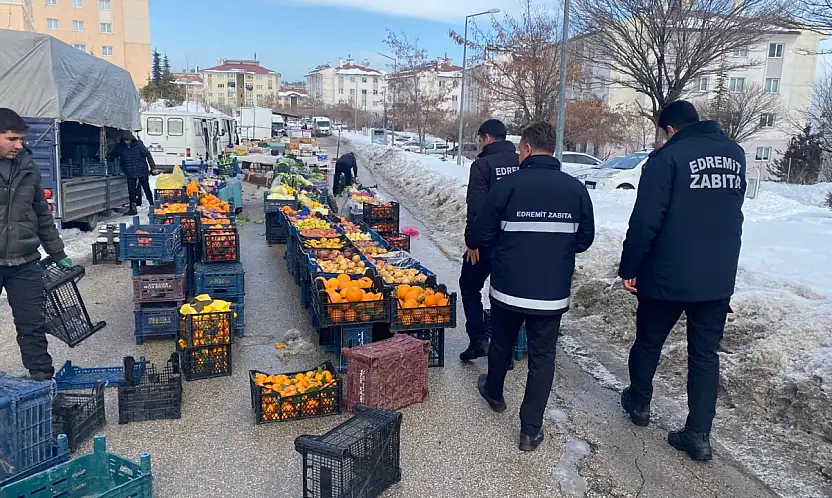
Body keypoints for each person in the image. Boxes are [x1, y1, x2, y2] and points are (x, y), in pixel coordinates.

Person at [618, 100, 746, 461]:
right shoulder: (734, 155)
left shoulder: (667, 159)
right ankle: (699, 435)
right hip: (717, 276)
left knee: (649, 341)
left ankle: (639, 403)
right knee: (705, 356)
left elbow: (646, 220)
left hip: (668, 274)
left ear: (670, 130)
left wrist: (630, 266)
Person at [469, 122, 595, 451]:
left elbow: (479, 234)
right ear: (552, 149)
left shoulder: (509, 186)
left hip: (508, 285)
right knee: (542, 357)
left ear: (524, 149)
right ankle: (530, 430)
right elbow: (585, 239)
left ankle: (494, 393)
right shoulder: (576, 189)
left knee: (502, 342)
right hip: (551, 293)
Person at [0, 108, 72, 381]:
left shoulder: (27, 165)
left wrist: (57, 251)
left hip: (25, 262)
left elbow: (41, 213)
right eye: (11, 139)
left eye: (21, 139)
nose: (19, 145)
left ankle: (42, 381)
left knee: (32, 325)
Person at [460, 119, 519, 362]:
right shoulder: (521, 161)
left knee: (470, 285)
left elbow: (477, 207)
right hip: (514, 242)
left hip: (486, 242)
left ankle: (478, 340)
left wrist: (472, 242)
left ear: (487, 138)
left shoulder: (483, 165)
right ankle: (507, 348)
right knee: (506, 293)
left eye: (480, 139)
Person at [114, 131, 156, 215]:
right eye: (125, 140)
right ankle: (133, 209)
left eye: (128, 140)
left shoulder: (139, 145)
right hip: (130, 172)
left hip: (142, 170)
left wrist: (153, 167)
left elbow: (148, 155)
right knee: (131, 191)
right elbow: (114, 154)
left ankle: (152, 206)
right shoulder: (121, 147)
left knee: (146, 188)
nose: (126, 142)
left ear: (131, 139)